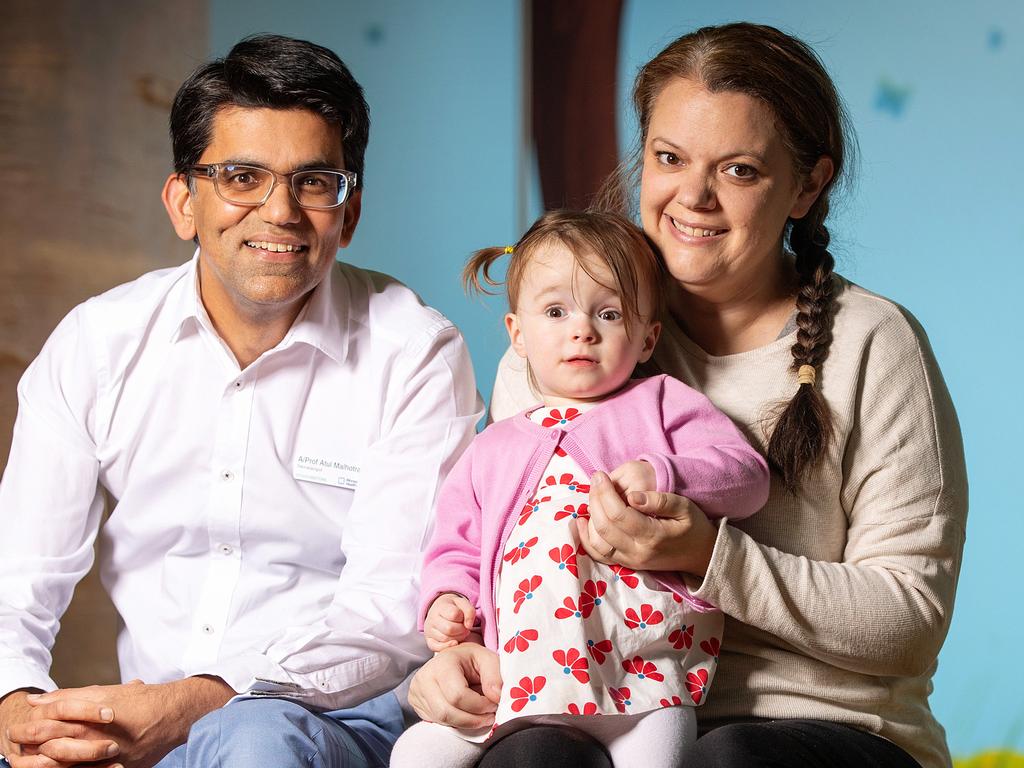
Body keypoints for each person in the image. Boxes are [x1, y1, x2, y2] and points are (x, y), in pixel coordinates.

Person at [408, 22, 967, 768]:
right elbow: (501, 554)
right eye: (669, 159)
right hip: (595, 698)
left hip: (826, 727)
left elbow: (909, 620)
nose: (693, 197)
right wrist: (455, 656)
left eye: (738, 170)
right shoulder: (563, 350)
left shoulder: (874, 344)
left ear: (807, 184)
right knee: (529, 757)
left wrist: (709, 553)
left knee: (724, 760)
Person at [0, 34, 481, 768]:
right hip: (138, 724)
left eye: (314, 181)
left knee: (254, 740)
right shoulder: (99, 342)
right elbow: (17, 575)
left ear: (348, 213)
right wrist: (20, 711)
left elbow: (388, 616)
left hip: (337, 722)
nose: (279, 211)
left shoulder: (414, 352)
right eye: (242, 176)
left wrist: (198, 703)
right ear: (182, 202)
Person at [391, 210, 769, 768]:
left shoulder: (663, 403)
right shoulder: (493, 446)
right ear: (517, 335)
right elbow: (457, 546)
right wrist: (449, 600)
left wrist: (666, 472)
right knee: (414, 755)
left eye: (609, 313)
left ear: (647, 338)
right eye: (555, 311)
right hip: (517, 677)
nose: (582, 329)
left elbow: (745, 477)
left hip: (641, 677)